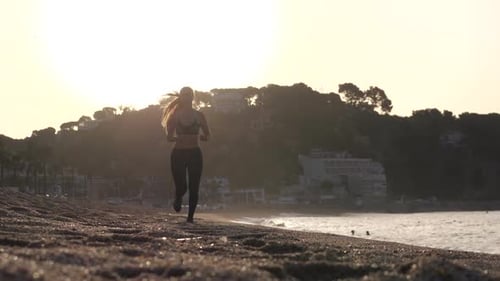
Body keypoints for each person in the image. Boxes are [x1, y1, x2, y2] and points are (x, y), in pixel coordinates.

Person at [161, 86, 210, 223]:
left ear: (193, 97)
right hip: (178, 154)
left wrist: (202, 137)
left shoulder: (200, 115)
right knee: (182, 186)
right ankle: (178, 198)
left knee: (194, 187)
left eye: (189, 94)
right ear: (181, 97)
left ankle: (190, 218)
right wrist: (178, 138)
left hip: (195, 153)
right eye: (184, 94)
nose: (187, 97)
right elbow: (169, 137)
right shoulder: (175, 116)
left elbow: (208, 135)